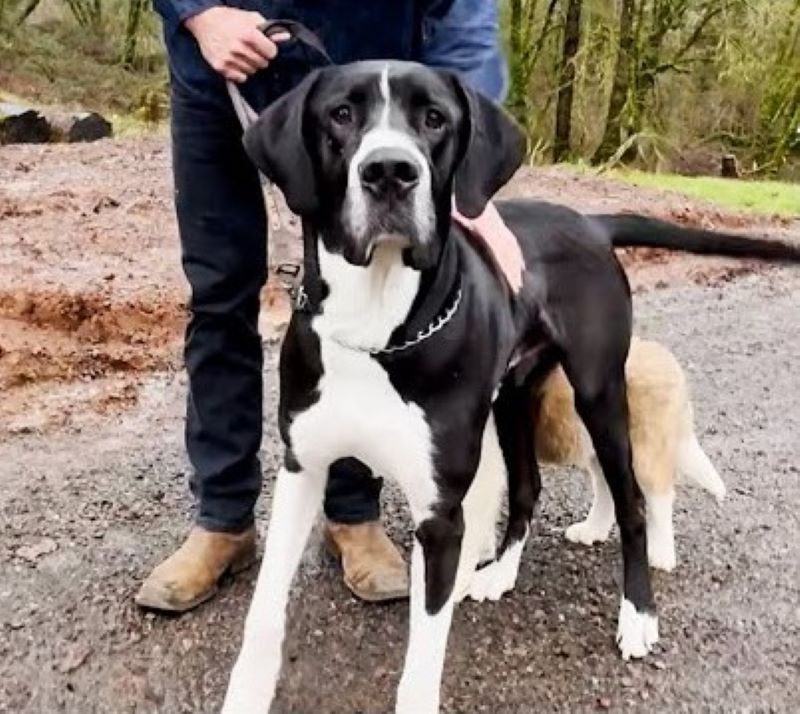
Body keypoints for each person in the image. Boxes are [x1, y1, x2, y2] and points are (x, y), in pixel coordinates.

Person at [136, 0, 524, 612]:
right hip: (215, 69)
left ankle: (352, 515)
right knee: (219, 294)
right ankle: (222, 519)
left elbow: (466, 16)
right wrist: (197, 14)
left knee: (364, 301)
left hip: (361, 67)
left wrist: (465, 185)